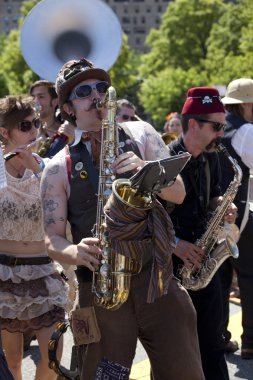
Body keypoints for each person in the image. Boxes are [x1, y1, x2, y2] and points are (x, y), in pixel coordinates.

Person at [40, 58, 205, 380]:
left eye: (102, 87)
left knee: (185, 371)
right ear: (69, 108)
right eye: (84, 91)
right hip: (101, 287)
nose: (97, 96)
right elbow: (52, 238)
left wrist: (146, 168)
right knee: (102, 375)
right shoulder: (58, 167)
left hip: (155, 278)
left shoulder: (141, 134)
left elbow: (180, 193)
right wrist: (74, 252)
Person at [167, 86, 236, 380]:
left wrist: (221, 206)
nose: (221, 134)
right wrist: (177, 245)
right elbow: (144, 219)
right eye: (217, 126)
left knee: (213, 345)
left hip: (205, 266)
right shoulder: (165, 160)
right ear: (193, 125)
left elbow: (212, 197)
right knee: (177, 352)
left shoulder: (212, 157)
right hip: (170, 270)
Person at [0, 95, 69, 380]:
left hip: (43, 269)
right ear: (4, 132)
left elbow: (66, 202)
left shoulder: (48, 165)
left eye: (36, 124)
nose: (34, 132)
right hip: (4, 273)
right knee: (13, 360)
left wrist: (37, 168)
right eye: (25, 126)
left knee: (52, 356)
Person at [218, 78, 253, 359]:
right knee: (249, 278)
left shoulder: (219, 127)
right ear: (246, 104)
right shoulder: (246, 131)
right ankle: (251, 340)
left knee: (219, 279)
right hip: (240, 216)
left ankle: (219, 337)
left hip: (214, 215)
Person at [30, 80, 75, 157]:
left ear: (55, 102)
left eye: (41, 97)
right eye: (33, 97)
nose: (35, 101)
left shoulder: (66, 131)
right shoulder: (28, 131)